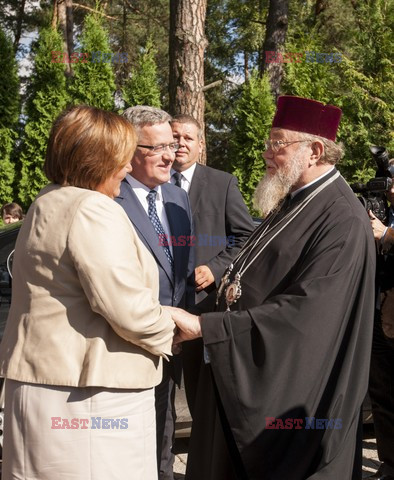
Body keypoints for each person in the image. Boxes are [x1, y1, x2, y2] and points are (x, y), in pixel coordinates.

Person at [168, 96, 376, 480]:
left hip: (286, 394)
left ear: (314, 150)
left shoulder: (341, 218)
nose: (266, 153)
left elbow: (308, 314)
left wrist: (208, 329)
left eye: (277, 144)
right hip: (239, 363)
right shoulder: (294, 200)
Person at [0, 105, 175, 480]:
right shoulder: (93, 209)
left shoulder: (46, 201)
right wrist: (173, 328)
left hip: (47, 388)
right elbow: (126, 308)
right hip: (91, 401)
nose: (128, 169)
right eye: (121, 160)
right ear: (97, 160)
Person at [115, 106, 194, 480]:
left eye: (173, 144)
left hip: (172, 344)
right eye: (158, 147)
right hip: (126, 346)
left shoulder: (177, 199)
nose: (171, 155)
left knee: (165, 431)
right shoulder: (107, 200)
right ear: (130, 150)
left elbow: (181, 274)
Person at [170, 114, 254, 415]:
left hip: (201, 308)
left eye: (188, 138)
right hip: (158, 306)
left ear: (201, 144)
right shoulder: (149, 184)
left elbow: (246, 236)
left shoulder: (222, 183)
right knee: (157, 404)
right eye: (175, 137)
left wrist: (216, 267)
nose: (180, 143)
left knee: (200, 401)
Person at [368, 166, 394, 480]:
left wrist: (386, 234)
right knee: (382, 393)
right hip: (378, 313)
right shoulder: (384, 212)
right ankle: (390, 463)